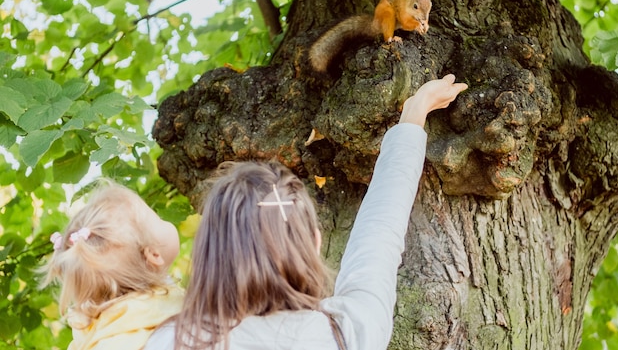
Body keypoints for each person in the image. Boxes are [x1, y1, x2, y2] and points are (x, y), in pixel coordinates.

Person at [145, 74, 468, 350]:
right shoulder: (346, 331)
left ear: (210, 252)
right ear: (313, 242)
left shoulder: (170, 340)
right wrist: (414, 113)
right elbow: (379, 235)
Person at [42, 180, 184, 350]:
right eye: (157, 217)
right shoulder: (164, 329)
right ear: (153, 254)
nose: (163, 219)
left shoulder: (92, 335)